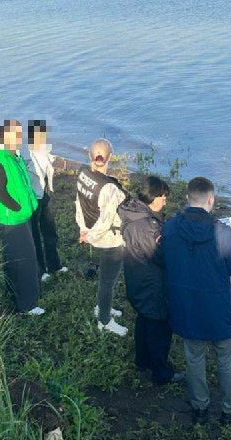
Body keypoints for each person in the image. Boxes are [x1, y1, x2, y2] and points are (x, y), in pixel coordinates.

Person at [162, 176, 231, 426]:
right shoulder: (222, 231)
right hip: (217, 306)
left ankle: (200, 408)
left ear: (187, 199)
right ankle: (230, 409)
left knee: (194, 355)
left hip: (185, 304)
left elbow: (163, 256)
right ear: (211, 199)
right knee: (226, 357)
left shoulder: (171, 227)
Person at [118, 175, 184, 385]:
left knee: (144, 321)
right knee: (160, 328)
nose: (165, 201)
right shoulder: (148, 227)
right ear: (154, 198)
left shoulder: (135, 214)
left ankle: (142, 360)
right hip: (152, 285)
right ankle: (162, 373)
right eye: (164, 197)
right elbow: (163, 256)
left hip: (138, 280)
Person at [0, 119, 44, 316]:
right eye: (15, 135)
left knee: (14, 258)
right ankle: (27, 305)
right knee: (25, 260)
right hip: (12, 220)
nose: (20, 139)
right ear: (4, 136)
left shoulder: (10, 155)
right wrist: (17, 208)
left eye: (20, 135)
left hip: (16, 217)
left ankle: (14, 296)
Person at [76, 138, 128, 336]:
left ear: (90, 156)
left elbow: (78, 204)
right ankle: (104, 320)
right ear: (110, 158)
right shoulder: (109, 187)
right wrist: (91, 236)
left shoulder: (82, 174)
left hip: (92, 232)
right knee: (108, 281)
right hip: (110, 239)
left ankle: (103, 306)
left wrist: (83, 229)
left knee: (106, 280)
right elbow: (106, 221)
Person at [23, 119, 68, 282]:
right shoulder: (25, 153)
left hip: (45, 194)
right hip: (33, 197)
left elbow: (49, 167)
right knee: (35, 235)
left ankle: (54, 264)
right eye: (38, 136)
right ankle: (40, 270)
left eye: (43, 135)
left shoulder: (44, 150)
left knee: (50, 231)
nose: (41, 139)